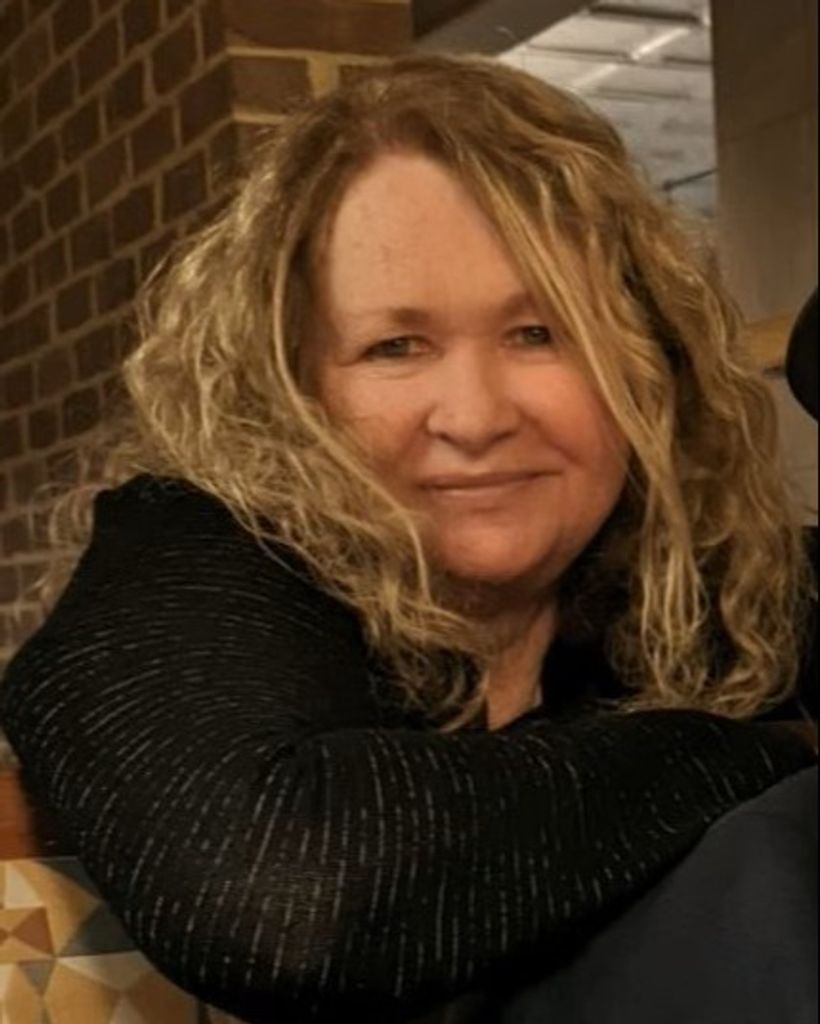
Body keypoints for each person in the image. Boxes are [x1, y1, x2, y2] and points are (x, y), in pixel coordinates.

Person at [0, 54, 816, 1024]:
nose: (475, 416)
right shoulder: (193, 553)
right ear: (292, 388)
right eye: (395, 346)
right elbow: (281, 901)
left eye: (540, 333)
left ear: (648, 363)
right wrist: (757, 752)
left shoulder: (704, 580)